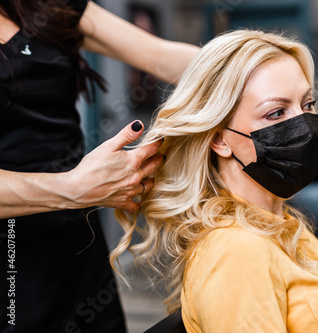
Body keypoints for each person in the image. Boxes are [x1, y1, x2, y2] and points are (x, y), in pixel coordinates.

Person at [112, 30, 318, 332]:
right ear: (219, 140)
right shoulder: (236, 252)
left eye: (306, 105)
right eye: (276, 113)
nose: (303, 125)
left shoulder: (280, 223)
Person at [0, 0, 199, 331]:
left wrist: (257, 67)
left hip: (76, 247)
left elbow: (160, 56)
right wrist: (72, 188)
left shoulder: (42, 5)